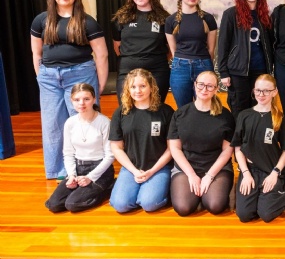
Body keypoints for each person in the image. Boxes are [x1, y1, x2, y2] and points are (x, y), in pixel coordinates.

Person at [30, 0, 109, 179]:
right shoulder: (41, 20)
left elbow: (102, 55)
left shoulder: (87, 22)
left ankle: (88, 168)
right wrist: (41, 77)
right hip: (49, 78)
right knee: (53, 126)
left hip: (80, 75)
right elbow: (36, 53)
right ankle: (59, 171)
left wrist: (100, 85)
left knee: (84, 122)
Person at [168, 71, 235, 216]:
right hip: (187, 166)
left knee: (215, 205)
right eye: (201, 85)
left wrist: (210, 176)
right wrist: (191, 175)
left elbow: (227, 150)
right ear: (194, 85)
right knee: (183, 208)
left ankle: (205, 193)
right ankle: (196, 193)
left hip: (216, 167)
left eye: (210, 86)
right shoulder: (180, 114)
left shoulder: (225, 116)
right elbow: (175, 148)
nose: (204, 89)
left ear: (216, 89)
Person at [109, 69, 175, 213]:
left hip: (158, 167)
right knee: (121, 205)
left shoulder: (166, 111)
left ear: (151, 87)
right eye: (133, 87)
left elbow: (172, 148)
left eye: (142, 86)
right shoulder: (121, 112)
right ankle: (134, 191)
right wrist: (134, 171)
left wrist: (152, 171)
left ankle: (156, 191)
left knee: (149, 204)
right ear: (128, 89)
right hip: (131, 167)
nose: (137, 91)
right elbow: (116, 147)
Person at [45, 83, 115, 212]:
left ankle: (108, 187)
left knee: (72, 204)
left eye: (86, 99)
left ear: (94, 99)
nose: (81, 103)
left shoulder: (105, 122)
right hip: (78, 168)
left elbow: (110, 156)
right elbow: (68, 153)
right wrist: (72, 175)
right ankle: (80, 189)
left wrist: (90, 177)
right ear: (71, 101)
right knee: (54, 205)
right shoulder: (70, 123)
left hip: (99, 170)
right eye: (77, 100)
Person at [232, 74, 285, 222]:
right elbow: (238, 147)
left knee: (266, 214)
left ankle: (281, 189)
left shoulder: (280, 118)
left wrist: (275, 173)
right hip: (250, 171)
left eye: (266, 91)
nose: (261, 94)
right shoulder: (244, 116)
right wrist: (245, 173)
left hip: (272, 171)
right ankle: (256, 194)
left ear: (274, 92)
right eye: (258, 90)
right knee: (244, 215)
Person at [218, 0, 274, 117]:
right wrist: (223, 72)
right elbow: (223, 44)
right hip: (238, 72)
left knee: (259, 109)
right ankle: (240, 133)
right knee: (239, 110)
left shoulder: (264, 15)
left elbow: (269, 43)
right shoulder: (231, 14)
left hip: (260, 71)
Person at [112, 0, 171, 105]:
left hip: (157, 70)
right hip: (127, 70)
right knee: (126, 109)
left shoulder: (164, 18)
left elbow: (170, 48)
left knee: (155, 108)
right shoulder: (122, 17)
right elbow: (117, 46)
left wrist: (151, 59)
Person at [165, 0, 217, 108]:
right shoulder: (170, 20)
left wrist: (206, 65)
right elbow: (173, 50)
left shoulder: (208, 18)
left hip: (203, 65)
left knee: (206, 106)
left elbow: (211, 50)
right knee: (183, 108)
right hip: (180, 68)